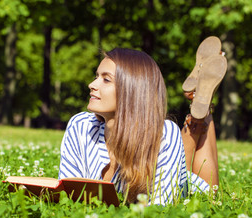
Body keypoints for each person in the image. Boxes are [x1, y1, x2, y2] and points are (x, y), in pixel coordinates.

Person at [58, 38, 227, 205]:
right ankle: (201, 107)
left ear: (132, 89)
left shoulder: (165, 134)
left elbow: (162, 208)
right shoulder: (80, 125)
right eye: (96, 76)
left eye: (106, 79)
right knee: (175, 148)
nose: (91, 84)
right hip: (168, 166)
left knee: (209, 196)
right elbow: (67, 194)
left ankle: (203, 111)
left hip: (182, 187)